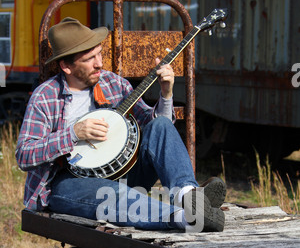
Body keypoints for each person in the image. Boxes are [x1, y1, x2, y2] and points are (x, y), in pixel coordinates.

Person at [16, 17, 226, 232]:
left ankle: (188, 195)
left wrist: (166, 93)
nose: (99, 63)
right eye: (89, 59)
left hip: (125, 172)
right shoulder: (45, 96)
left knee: (161, 125)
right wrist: (72, 134)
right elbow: (24, 155)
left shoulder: (113, 83)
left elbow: (154, 130)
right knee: (112, 194)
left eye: (99, 53)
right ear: (66, 66)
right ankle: (187, 219)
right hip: (70, 183)